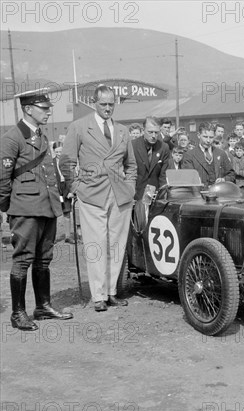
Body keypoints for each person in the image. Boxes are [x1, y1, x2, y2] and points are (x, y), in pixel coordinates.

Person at [0, 88, 73, 330]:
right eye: (44, 108)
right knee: (22, 260)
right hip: (25, 208)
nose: (49, 111)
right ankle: (17, 313)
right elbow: (3, 179)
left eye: (49, 107)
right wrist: (10, 208)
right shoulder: (12, 138)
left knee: (44, 259)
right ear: (28, 109)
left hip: (47, 206)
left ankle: (42, 306)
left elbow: (49, 173)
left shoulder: (40, 135)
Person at [60, 85, 137, 312]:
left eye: (111, 104)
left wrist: (130, 187)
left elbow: (131, 165)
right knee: (96, 246)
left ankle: (112, 291)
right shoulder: (80, 127)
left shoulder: (122, 131)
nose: (107, 108)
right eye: (103, 104)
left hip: (120, 195)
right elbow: (66, 161)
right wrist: (76, 187)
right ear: (94, 102)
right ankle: (98, 295)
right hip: (92, 194)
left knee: (117, 245)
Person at [132, 117, 171, 201]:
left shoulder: (164, 147)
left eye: (156, 132)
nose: (153, 136)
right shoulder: (132, 146)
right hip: (135, 195)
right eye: (150, 132)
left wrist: (162, 196)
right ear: (143, 130)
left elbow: (163, 175)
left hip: (156, 196)